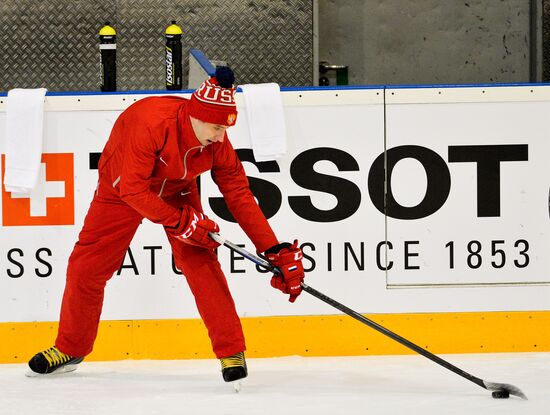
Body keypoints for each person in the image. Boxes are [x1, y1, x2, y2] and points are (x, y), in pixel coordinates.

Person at [27, 66, 305, 382]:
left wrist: (272, 248)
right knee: (87, 266)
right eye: (215, 127)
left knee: (200, 259)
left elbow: (239, 194)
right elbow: (132, 188)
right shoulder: (151, 125)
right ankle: (70, 347)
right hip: (121, 189)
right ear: (195, 117)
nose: (220, 136)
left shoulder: (216, 142)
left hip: (176, 188)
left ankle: (231, 350)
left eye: (226, 129)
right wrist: (180, 222)